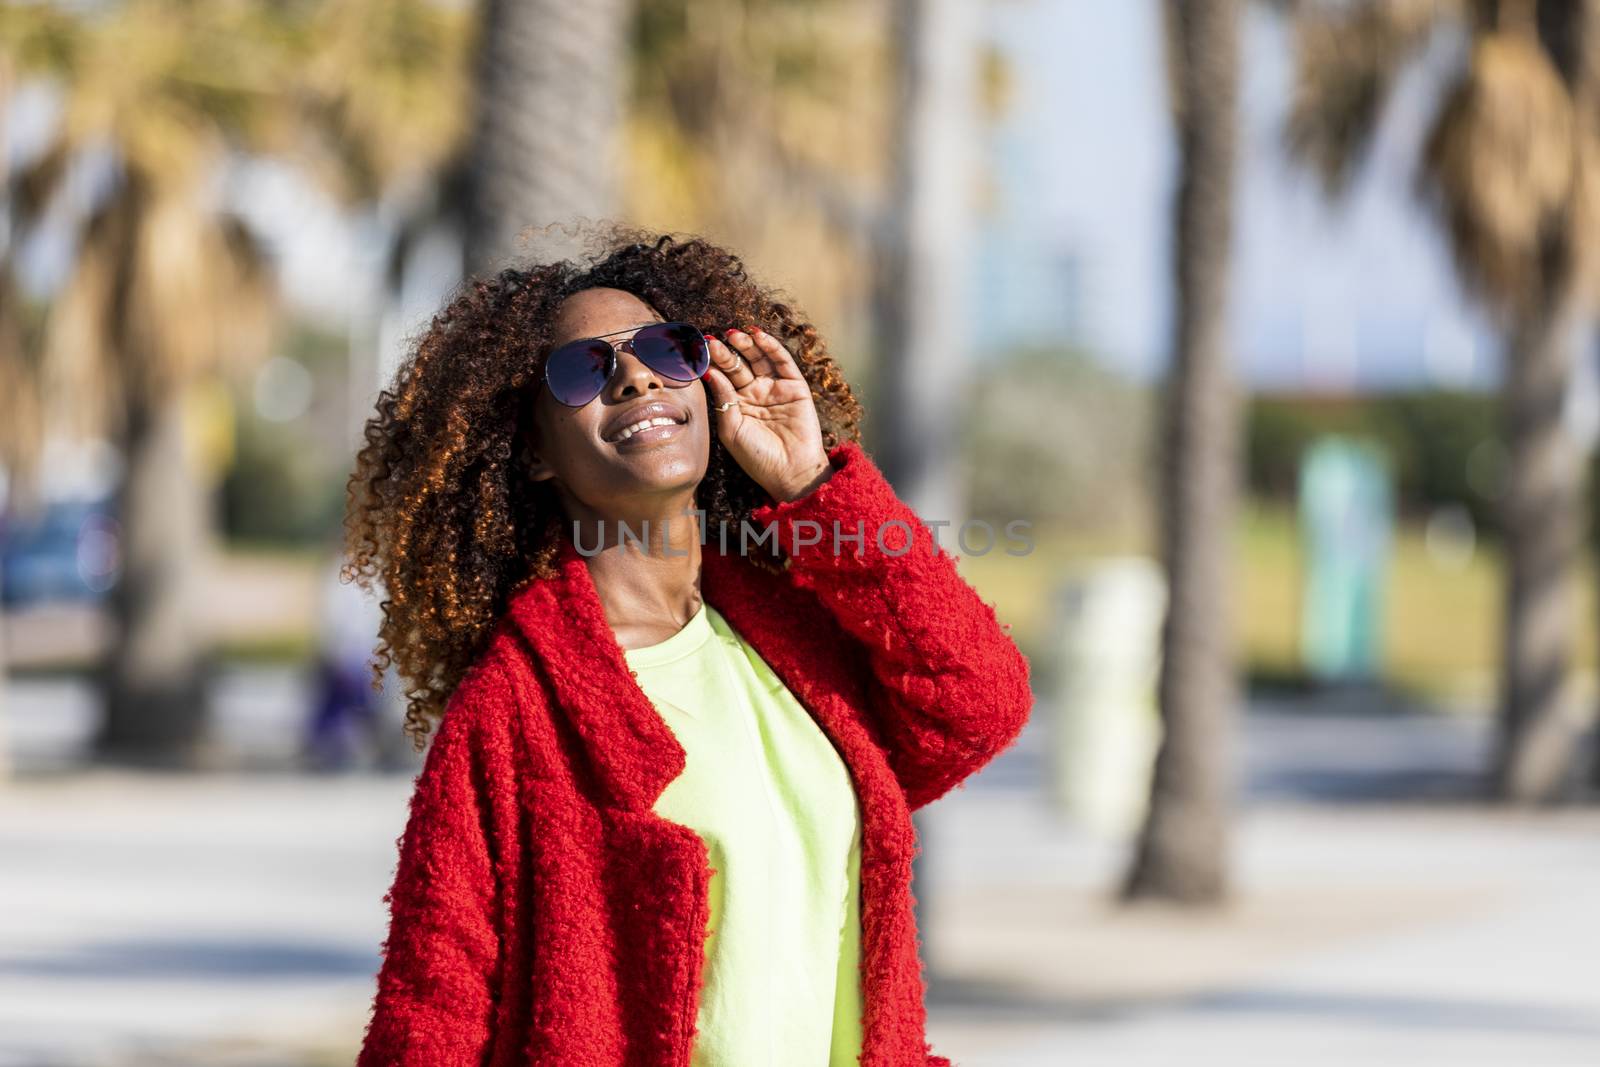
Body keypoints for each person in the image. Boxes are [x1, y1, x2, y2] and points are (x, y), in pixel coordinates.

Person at [344, 226, 1033, 1066]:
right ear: (532, 453)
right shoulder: (515, 712)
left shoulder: (791, 634)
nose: (635, 374)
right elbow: (432, 1019)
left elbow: (979, 699)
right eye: (583, 370)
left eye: (668, 351)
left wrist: (812, 485)